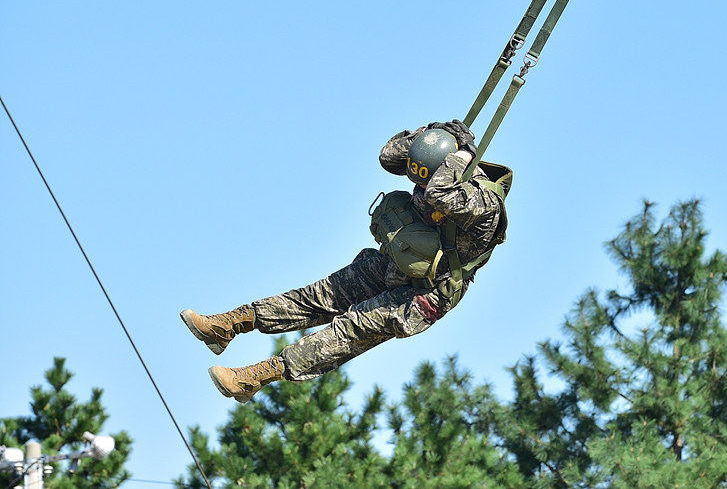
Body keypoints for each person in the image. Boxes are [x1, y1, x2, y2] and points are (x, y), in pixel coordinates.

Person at [180, 120, 510, 403]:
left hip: (426, 294)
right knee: (325, 293)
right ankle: (230, 325)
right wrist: (429, 133)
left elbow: (440, 194)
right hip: (398, 264)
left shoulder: (483, 202)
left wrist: (458, 156)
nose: (418, 187)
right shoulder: (438, 166)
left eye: (424, 179)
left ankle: (254, 377)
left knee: (350, 328)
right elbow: (388, 157)